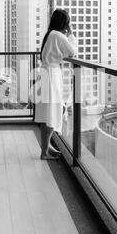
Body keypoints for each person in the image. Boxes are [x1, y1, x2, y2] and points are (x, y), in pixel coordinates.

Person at [35, 9, 77, 160]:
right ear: (65, 23)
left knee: (48, 112)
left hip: (46, 73)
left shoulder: (50, 34)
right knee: (53, 111)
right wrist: (71, 34)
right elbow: (72, 52)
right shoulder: (58, 35)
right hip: (52, 75)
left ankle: (46, 148)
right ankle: (45, 151)